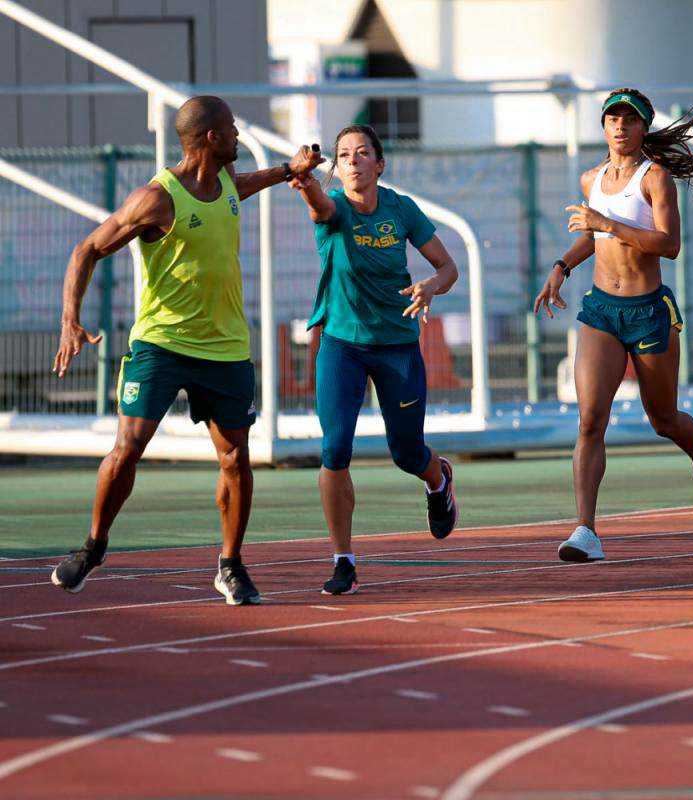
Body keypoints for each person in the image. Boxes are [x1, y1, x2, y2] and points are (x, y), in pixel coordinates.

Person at [50, 95, 323, 604]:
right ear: (212, 138)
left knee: (236, 458)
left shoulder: (224, 183)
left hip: (225, 348)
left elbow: (239, 188)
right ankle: (94, 545)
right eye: (234, 129)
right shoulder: (157, 199)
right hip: (162, 343)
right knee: (128, 447)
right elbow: (87, 248)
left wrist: (289, 170)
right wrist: (70, 319)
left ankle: (230, 565)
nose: (240, 135)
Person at [533, 88, 693, 562]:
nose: (619, 126)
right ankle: (585, 530)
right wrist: (562, 264)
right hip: (600, 311)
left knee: (663, 419)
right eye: (612, 118)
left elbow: (669, 244)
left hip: (647, 312)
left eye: (629, 119)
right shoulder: (591, 178)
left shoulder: (655, 178)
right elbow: (592, 237)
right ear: (603, 127)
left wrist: (611, 223)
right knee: (589, 420)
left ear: (644, 127)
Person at [288, 124, 459, 594]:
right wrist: (303, 181)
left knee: (406, 454)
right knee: (334, 449)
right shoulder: (334, 207)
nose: (354, 160)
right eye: (344, 155)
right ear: (337, 169)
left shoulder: (401, 208)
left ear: (379, 164)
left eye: (363, 153)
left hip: (398, 345)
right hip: (341, 344)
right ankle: (344, 559)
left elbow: (448, 267)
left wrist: (430, 286)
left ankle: (437, 478)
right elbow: (318, 205)